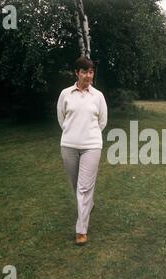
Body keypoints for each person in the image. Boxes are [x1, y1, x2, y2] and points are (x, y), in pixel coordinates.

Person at [57, 56, 108, 246]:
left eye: (91, 71)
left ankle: (81, 230)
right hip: (69, 145)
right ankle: (88, 205)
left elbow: (102, 121)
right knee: (75, 185)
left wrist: (90, 136)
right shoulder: (65, 94)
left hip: (91, 146)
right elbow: (62, 118)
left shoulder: (98, 96)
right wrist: (72, 133)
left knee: (84, 188)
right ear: (77, 73)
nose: (89, 75)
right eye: (85, 72)